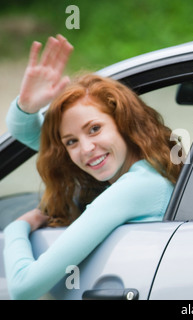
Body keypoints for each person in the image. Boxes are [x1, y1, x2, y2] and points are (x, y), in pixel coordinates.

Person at [3, 35, 183, 299]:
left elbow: (23, 287)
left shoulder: (135, 188)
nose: (86, 149)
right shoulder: (151, 170)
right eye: (72, 141)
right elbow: (30, 135)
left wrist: (17, 227)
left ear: (123, 123)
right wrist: (26, 107)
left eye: (95, 129)